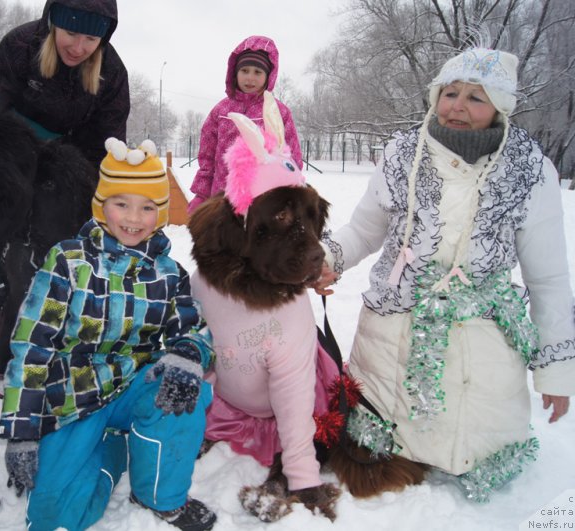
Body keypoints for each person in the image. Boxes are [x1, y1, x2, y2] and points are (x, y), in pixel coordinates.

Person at [316, 47, 574, 502]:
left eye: (477, 97)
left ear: (500, 106)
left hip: (483, 338)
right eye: (450, 92)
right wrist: (326, 260)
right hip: (392, 331)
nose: (458, 105)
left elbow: (548, 279)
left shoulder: (532, 171)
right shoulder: (401, 154)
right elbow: (363, 230)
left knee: (473, 438)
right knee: (377, 436)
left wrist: (555, 371)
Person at [0, 138, 216, 531]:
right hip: (74, 397)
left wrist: (189, 352)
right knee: (56, 516)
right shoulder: (67, 262)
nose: (134, 218)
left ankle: (159, 496)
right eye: (121, 203)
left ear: (161, 214)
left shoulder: (169, 274)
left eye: (148, 207)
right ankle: (112, 450)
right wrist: (22, 430)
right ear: (101, 206)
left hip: (136, 386)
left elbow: (193, 328)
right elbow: (33, 345)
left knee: (186, 388)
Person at [0, 0, 130, 384]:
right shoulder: (19, 47)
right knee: (2, 263)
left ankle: (45, 357)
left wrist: (72, 196)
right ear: (53, 22)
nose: (79, 46)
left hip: (67, 177)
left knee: (51, 266)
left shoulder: (112, 72)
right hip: (6, 162)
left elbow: (105, 143)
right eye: (72, 32)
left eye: (91, 38)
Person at [187, 35, 303, 214]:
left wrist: (290, 194)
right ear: (235, 72)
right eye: (245, 71)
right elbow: (207, 157)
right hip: (222, 198)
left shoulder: (277, 112)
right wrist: (202, 195)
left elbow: (292, 158)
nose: (250, 78)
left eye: (258, 72)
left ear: (268, 76)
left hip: (264, 201)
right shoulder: (221, 111)